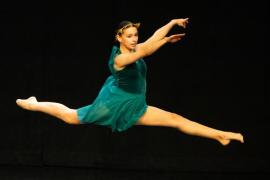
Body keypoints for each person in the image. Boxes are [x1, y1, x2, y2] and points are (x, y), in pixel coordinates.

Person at [16, 18, 244, 146]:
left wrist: (172, 23)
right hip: (117, 103)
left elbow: (151, 39)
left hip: (135, 102)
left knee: (175, 119)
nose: (135, 39)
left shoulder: (134, 47)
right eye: (130, 36)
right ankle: (33, 104)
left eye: (136, 35)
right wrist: (165, 41)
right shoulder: (121, 58)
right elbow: (147, 50)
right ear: (119, 38)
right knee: (71, 116)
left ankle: (220, 135)